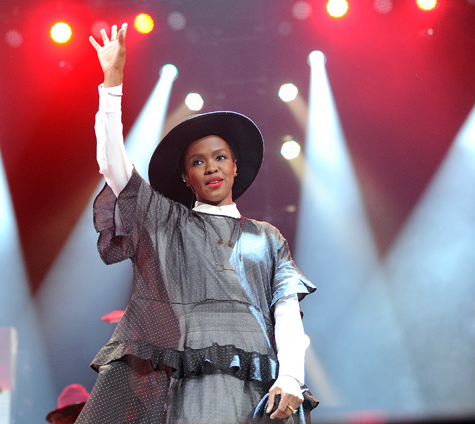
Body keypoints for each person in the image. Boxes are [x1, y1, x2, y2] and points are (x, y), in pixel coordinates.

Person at [76, 22, 318, 424]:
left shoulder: (266, 237)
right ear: (186, 177)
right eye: (198, 161)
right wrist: (112, 83)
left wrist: (292, 376)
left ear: (236, 167)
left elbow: (287, 311)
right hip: (196, 379)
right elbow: (113, 167)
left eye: (220, 157)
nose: (211, 167)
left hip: (265, 381)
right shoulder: (167, 222)